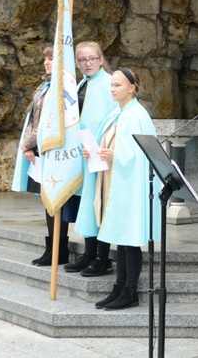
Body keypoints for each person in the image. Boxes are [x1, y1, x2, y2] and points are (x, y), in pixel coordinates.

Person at [80, 68, 161, 310]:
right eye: (111, 84)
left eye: (117, 85)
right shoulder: (119, 112)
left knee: (130, 240)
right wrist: (94, 152)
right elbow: (111, 144)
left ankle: (130, 291)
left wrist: (113, 155)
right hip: (117, 182)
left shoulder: (137, 115)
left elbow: (144, 153)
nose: (112, 88)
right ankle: (119, 287)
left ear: (132, 88)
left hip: (130, 185)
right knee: (121, 239)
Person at [12, 45, 72, 266]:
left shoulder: (63, 89)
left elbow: (51, 123)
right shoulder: (44, 86)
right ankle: (52, 249)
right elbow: (34, 119)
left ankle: (60, 249)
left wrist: (29, 144)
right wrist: (28, 146)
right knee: (48, 202)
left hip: (54, 152)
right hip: (39, 151)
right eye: (45, 59)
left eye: (52, 59)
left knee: (56, 200)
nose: (47, 63)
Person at [65, 41, 118, 277]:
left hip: (100, 154)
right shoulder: (82, 84)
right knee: (87, 206)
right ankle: (89, 254)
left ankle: (102, 258)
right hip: (84, 154)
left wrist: (103, 148)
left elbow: (113, 119)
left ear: (100, 59)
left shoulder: (108, 84)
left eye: (92, 59)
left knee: (100, 206)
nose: (87, 63)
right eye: (82, 60)